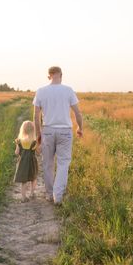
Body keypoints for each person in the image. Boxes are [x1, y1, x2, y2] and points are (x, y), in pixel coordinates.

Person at [33, 66, 83, 205]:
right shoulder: (68, 90)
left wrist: (38, 134)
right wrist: (80, 127)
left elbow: (36, 116)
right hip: (65, 132)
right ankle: (58, 196)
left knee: (48, 163)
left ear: (49, 76)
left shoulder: (41, 91)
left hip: (48, 130)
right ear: (61, 75)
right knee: (63, 164)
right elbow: (78, 113)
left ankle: (49, 194)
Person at [13, 120, 39, 202]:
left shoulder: (19, 141)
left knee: (24, 181)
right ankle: (32, 193)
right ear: (33, 130)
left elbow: (16, 153)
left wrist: (18, 149)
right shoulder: (34, 142)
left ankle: (23, 197)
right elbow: (38, 152)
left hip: (22, 163)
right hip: (32, 163)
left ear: (23, 130)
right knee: (33, 178)